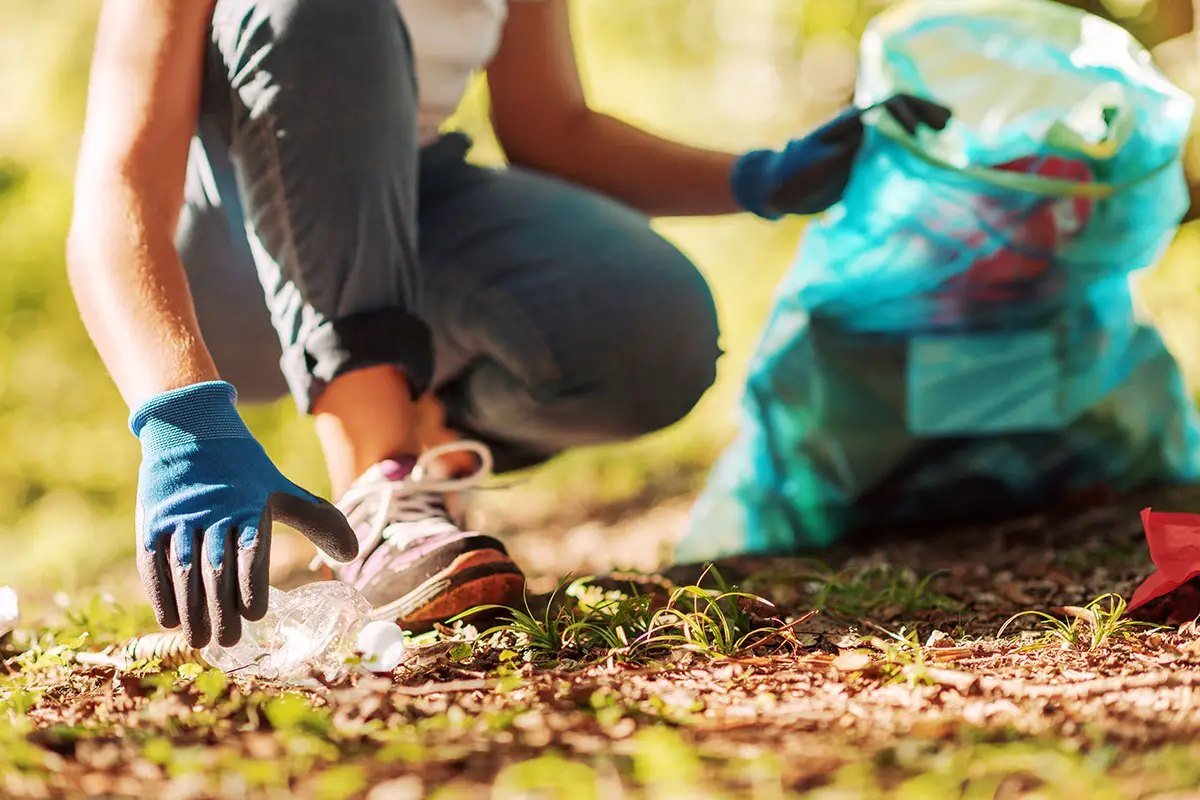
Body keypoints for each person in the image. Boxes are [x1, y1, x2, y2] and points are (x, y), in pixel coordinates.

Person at [67, 0, 949, 648]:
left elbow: (552, 129)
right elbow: (116, 189)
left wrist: (761, 178)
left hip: (411, 211)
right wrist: (179, 418)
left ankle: (429, 427)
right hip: (227, 264)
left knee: (648, 328)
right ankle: (381, 495)